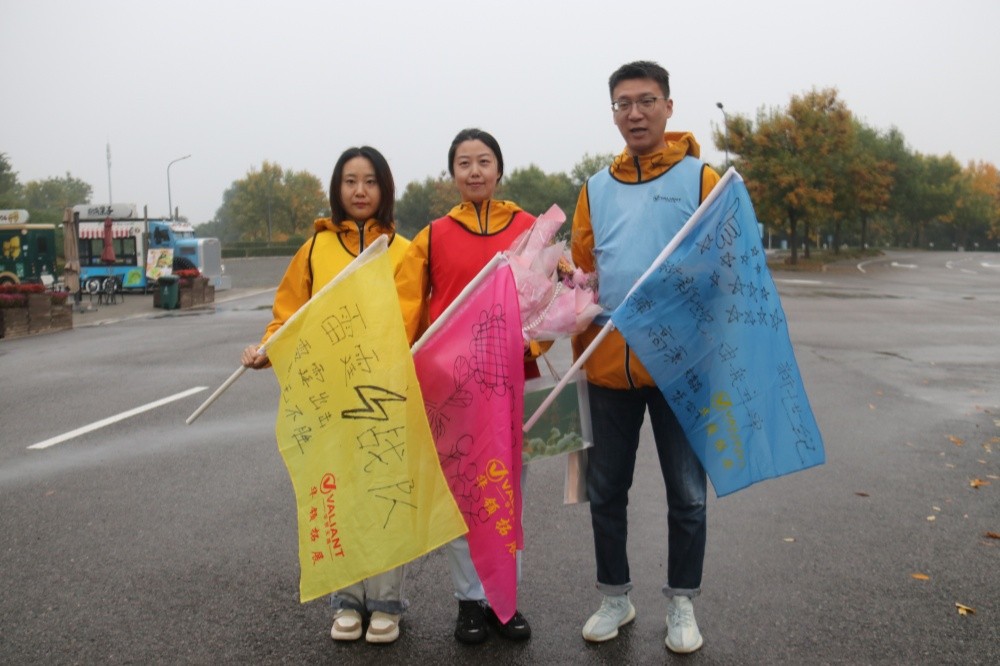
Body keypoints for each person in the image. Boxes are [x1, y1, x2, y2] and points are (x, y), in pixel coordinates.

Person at [570, 61, 721, 654]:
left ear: (669, 106)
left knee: (688, 494)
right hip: (609, 369)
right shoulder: (594, 189)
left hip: (681, 369)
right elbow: (584, 274)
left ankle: (682, 602)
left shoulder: (703, 180)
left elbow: (726, 270)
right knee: (606, 490)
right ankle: (615, 596)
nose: (635, 113)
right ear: (613, 112)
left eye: (646, 101)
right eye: (623, 104)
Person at [240, 146, 411, 645]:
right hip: (329, 395)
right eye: (350, 181)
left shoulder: (405, 250)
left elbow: (416, 319)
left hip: (386, 395)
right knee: (337, 492)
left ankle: (386, 602)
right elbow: (288, 315)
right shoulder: (314, 250)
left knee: (384, 495)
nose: (360, 191)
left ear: (385, 188)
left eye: (370, 181)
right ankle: (347, 601)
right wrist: (267, 349)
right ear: (337, 189)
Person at [395, 128, 541, 645]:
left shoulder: (528, 229)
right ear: (452, 173)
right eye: (464, 163)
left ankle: (505, 602)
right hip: (452, 389)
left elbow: (545, 301)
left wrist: (534, 342)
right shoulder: (432, 236)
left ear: (499, 169)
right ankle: (469, 603)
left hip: (514, 383)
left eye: (484, 161)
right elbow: (407, 308)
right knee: (462, 498)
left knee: (507, 495)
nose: (475, 171)